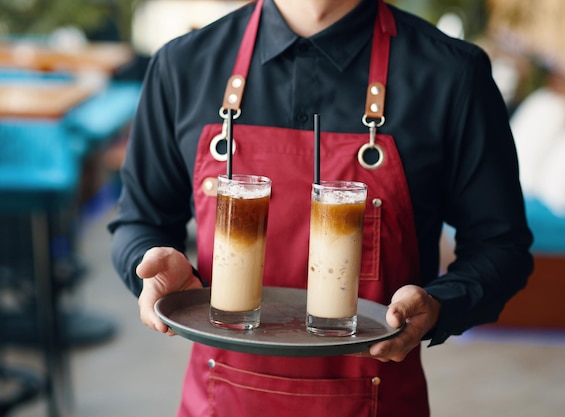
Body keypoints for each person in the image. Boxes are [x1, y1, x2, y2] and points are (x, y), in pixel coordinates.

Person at [108, 0, 534, 416]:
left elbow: (502, 247)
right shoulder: (184, 65)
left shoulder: (451, 73)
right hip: (218, 400)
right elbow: (139, 222)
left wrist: (438, 305)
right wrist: (149, 265)